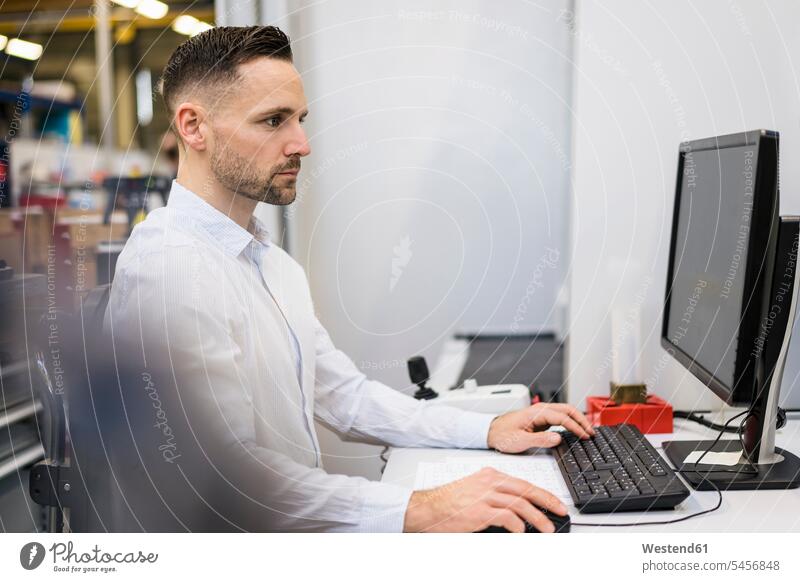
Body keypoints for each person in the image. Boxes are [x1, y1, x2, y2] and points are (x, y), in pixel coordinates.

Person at [105, 25, 595, 533]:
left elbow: (345, 396)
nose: (301, 144)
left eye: (299, 119)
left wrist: (487, 428)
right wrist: (422, 509)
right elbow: (223, 480)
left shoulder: (267, 263)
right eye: (273, 121)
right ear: (194, 127)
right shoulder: (169, 272)